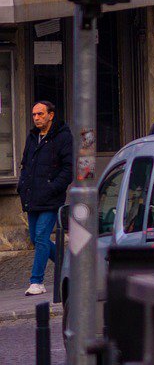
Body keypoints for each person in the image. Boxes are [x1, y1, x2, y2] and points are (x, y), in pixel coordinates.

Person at [17, 101, 71, 296]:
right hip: (32, 197)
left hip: (50, 199)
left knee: (41, 236)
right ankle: (70, 265)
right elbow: (25, 165)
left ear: (51, 115)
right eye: (34, 115)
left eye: (40, 114)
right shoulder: (32, 137)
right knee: (35, 238)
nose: (36, 118)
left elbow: (68, 169)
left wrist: (52, 188)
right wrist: (22, 187)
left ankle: (36, 281)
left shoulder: (63, 137)